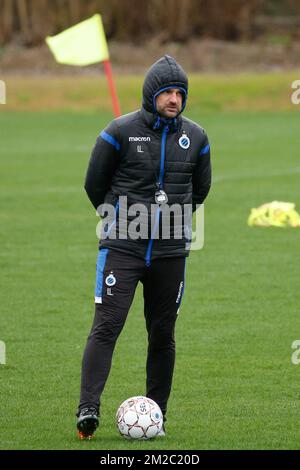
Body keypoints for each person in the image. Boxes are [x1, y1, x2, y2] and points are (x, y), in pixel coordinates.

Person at [76, 55, 212, 439]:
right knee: (106, 327)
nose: (174, 99)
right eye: (167, 92)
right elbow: (93, 184)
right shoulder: (118, 132)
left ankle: (159, 414)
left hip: (171, 253)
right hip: (122, 248)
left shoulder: (197, 138)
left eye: (179, 93)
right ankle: (88, 410)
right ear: (151, 94)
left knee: (163, 333)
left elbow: (200, 190)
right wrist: (120, 221)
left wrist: (172, 224)